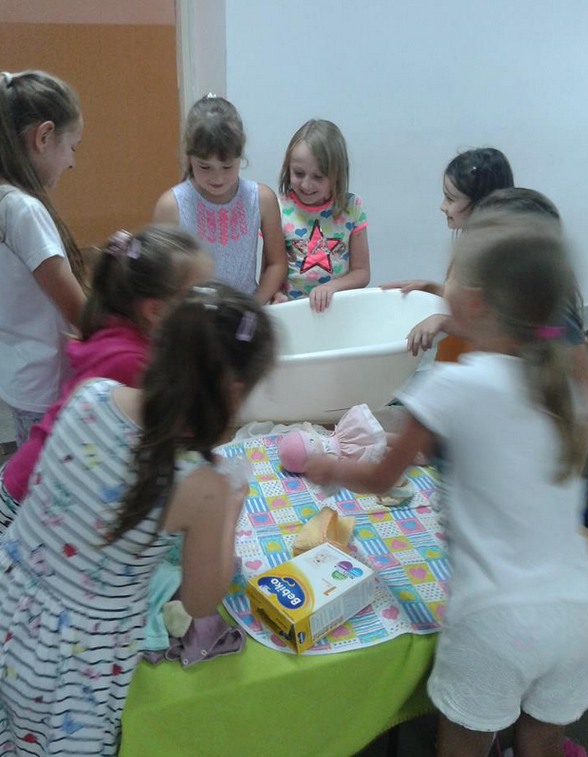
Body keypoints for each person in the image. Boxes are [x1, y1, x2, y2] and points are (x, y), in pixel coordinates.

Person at [307, 210, 588, 757]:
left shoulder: (450, 384)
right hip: (578, 611)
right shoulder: (566, 386)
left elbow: (380, 475)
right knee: (541, 744)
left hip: (496, 620)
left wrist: (328, 466)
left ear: (474, 302)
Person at [0, 283, 276, 754]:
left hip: (11, 598)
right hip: (73, 661)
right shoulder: (202, 485)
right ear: (233, 391)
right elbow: (202, 599)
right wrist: (231, 507)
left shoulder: (91, 393)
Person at [0, 224, 211, 528]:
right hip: (31, 496)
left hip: (38, 481)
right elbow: (172, 430)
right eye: (199, 297)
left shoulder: (126, 330)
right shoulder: (128, 362)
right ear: (155, 310)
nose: (209, 307)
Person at [0, 70, 87, 444]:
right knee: (48, 471)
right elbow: (78, 310)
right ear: (44, 136)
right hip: (46, 385)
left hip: (21, 378)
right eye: (72, 147)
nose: (72, 162)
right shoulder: (22, 210)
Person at [153, 94, 286, 304]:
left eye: (227, 167)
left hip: (244, 308)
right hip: (192, 313)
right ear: (189, 158)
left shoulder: (262, 200)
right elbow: (161, 275)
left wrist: (254, 305)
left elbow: (277, 263)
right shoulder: (171, 206)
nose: (218, 178)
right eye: (205, 167)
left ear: (240, 157)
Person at [382, 147, 513, 357]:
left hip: (477, 362)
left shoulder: (495, 257)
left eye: (451, 199)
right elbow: (471, 303)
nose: (442, 207)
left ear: (482, 203)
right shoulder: (468, 243)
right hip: (455, 358)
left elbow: (502, 330)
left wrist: (443, 321)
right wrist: (432, 288)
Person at [273, 119, 370, 312]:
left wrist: (331, 287)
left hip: (337, 309)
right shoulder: (278, 208)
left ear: (337, 175)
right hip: (293, 309)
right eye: (298, 173)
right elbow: (271, 270)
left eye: (318, 177)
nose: (306, 185)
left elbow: (362, 272)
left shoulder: (352, 207)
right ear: (287, 167)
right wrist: (276, 295)